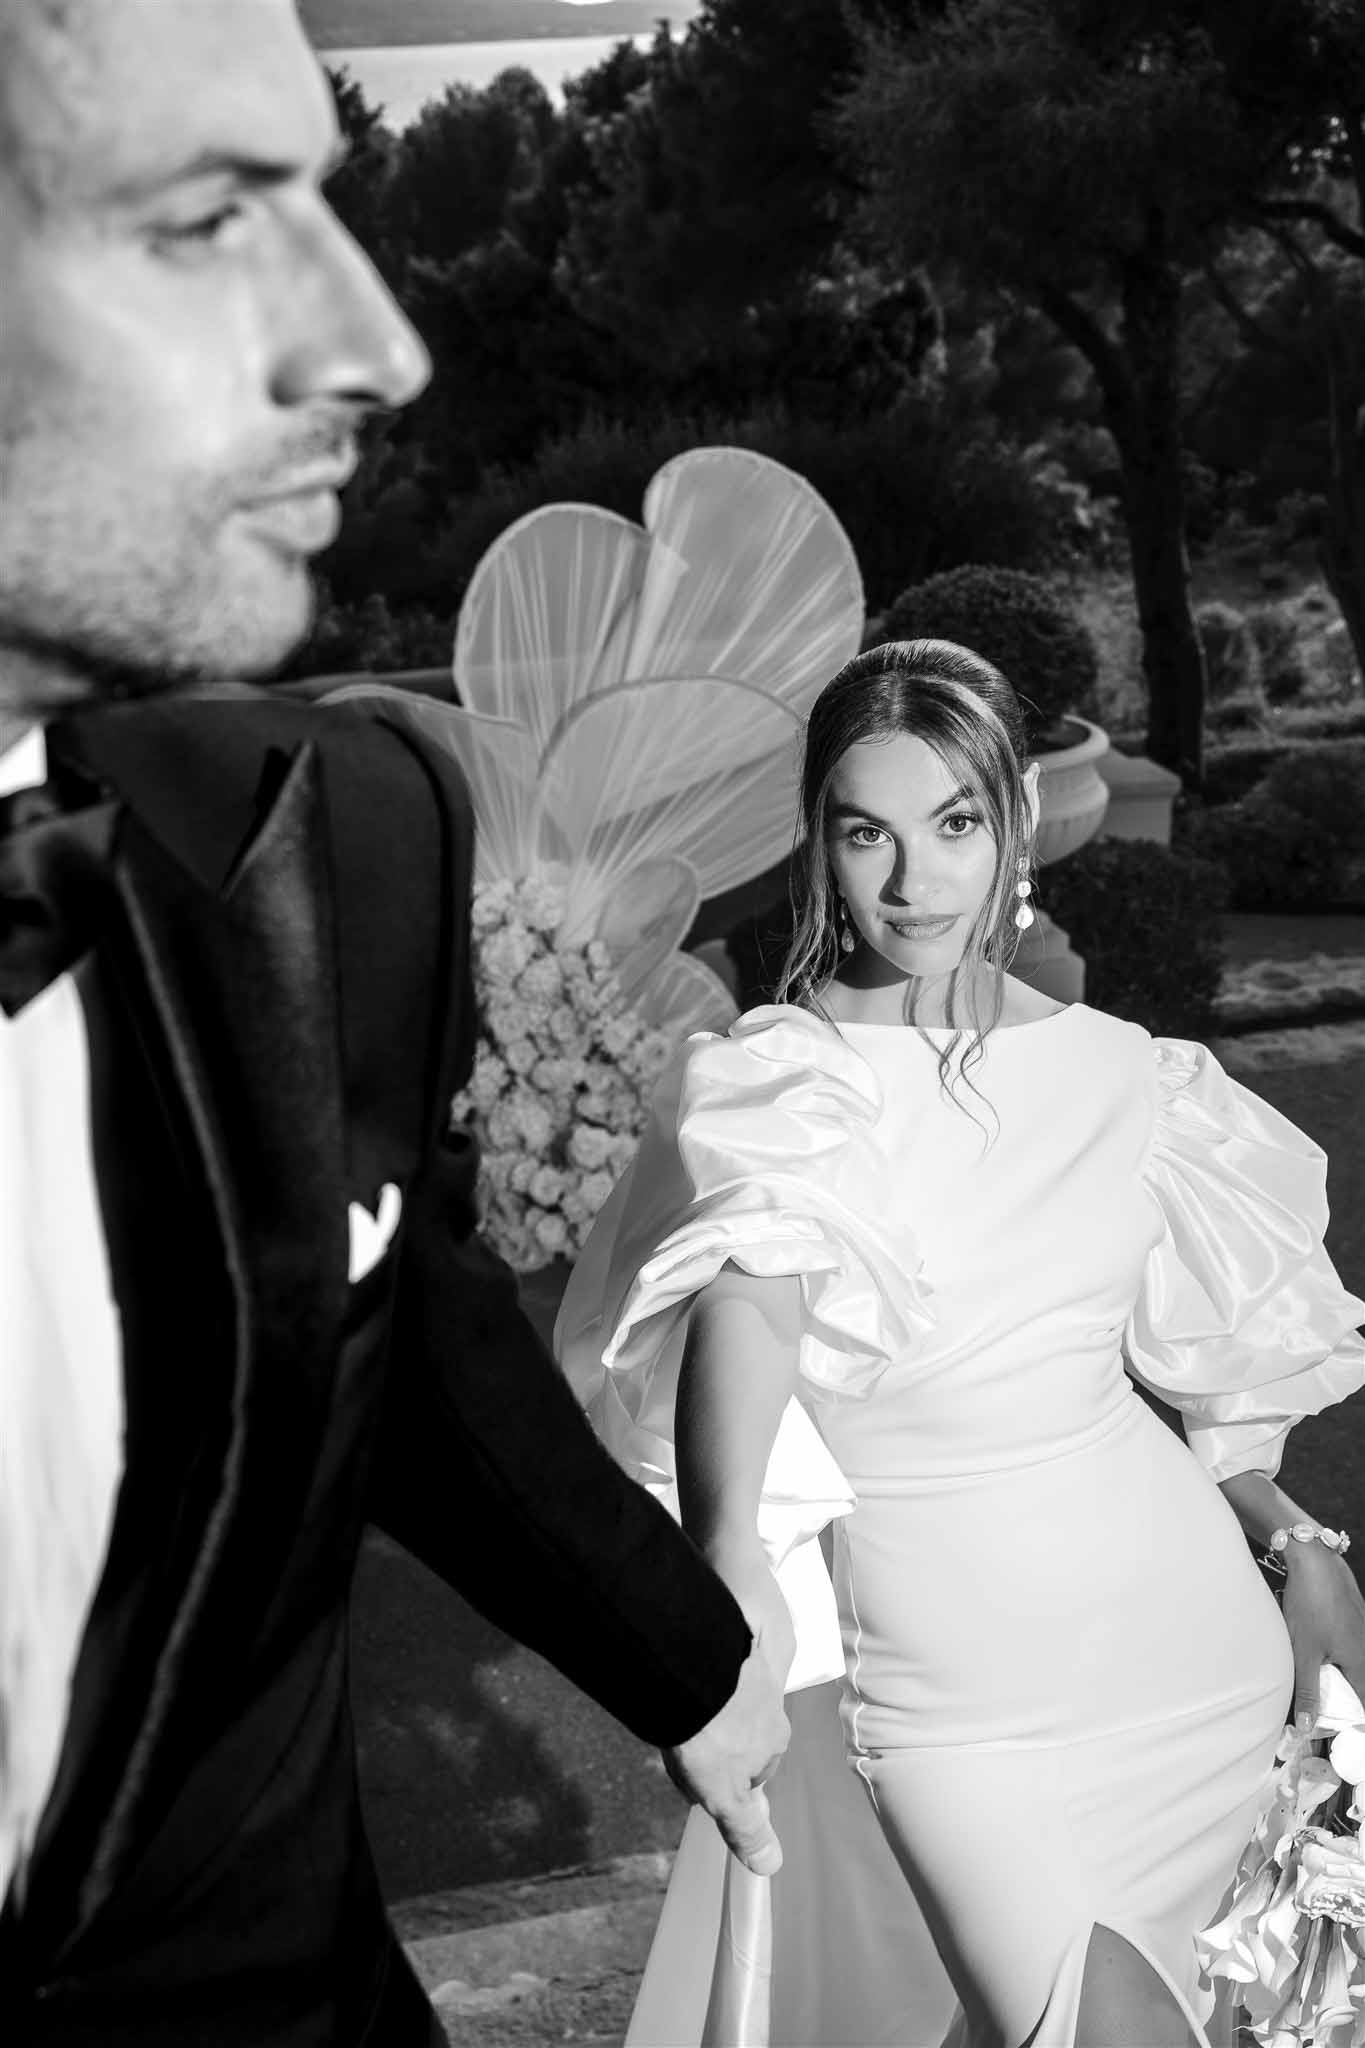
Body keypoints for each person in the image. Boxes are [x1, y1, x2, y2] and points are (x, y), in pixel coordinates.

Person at [0, 3, 791, 2041]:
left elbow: (398, 1333)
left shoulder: (328, 832)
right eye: (203, 217)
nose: (377, 339)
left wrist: (683, 1662)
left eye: (331, 201)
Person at [558, 638, 1365, 2047]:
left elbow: (1170, 1362)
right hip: (956, 1715)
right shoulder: (774, 1081)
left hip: (1191, 1659)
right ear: (816, 843)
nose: (913, 880)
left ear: (1011, 829)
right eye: (865, 831)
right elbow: (752, 1286)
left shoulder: (1134, 1074)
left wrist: (1273, 1516)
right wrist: (730, 1545)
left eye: (954, 825)